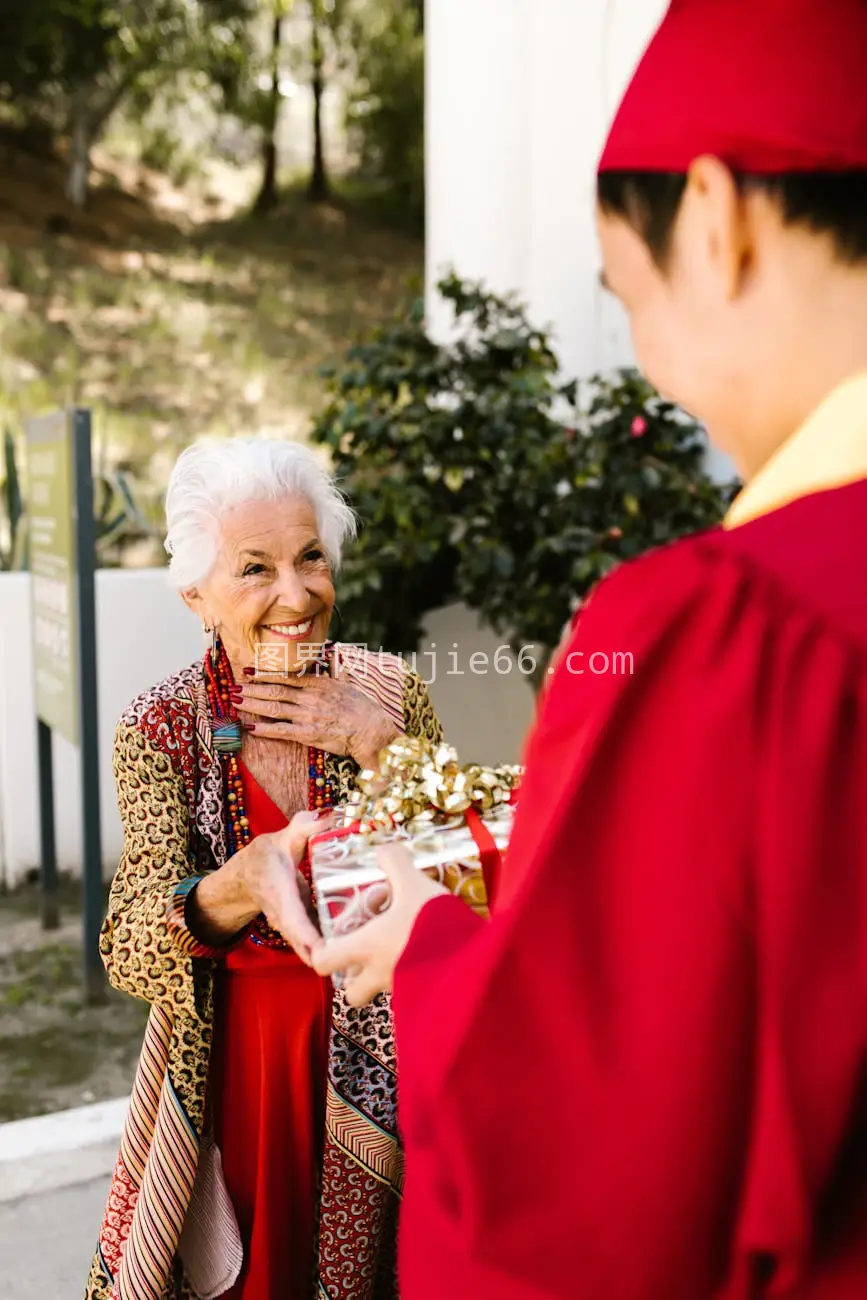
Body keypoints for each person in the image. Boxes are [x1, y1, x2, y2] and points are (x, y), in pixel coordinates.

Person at [311, 2, 867, 1297]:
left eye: (626, 294)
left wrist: (429, 950)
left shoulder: (732, 627)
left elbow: (584, 1182)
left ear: (715, 219)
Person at [84, 438, 444, 1300]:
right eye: (255, 569)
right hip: (237, 1072)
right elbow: (128, 946)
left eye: (309, 556)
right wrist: (239, 884)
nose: (296, 594)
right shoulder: (161, 728)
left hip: (380, 1055)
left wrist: (376, 743)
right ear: (196, 597)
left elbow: (454, 871)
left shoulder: (391, 693)